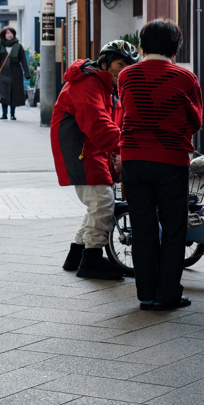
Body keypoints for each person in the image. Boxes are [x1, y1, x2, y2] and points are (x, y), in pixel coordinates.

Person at [118, 19, 202, 310]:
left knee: (142, 228)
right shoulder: (186, 78)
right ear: (175, 47)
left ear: (142, 45)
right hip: (170, 160)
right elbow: (198, 120)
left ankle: (146, 295)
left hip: (133, 158)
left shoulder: (126, 76)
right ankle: (168, 295)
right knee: (174, 228)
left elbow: (127, 109)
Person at [51, 40, 139, 280]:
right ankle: (91, 260)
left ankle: (77, 254)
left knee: (97, 204)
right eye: (120, 64)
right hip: (83, 151)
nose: (123, 71)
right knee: (102, 202)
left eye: (128, 67)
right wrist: (128, 146)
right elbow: (98, 124)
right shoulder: (88, 83)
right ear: (104, 62)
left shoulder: (104, 86)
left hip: (90, 150)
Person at [0, 26, 29, 120]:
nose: (9, 35)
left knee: (14, 94)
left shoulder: (18, 46)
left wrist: (27, 73)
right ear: (4, 35)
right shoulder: (0, 45)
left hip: (16, 74)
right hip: (4, 73)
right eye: (7, 33)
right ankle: (4, 114)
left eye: (11, 33)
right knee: (4, 94)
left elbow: (24, 60)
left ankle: (12, 114)